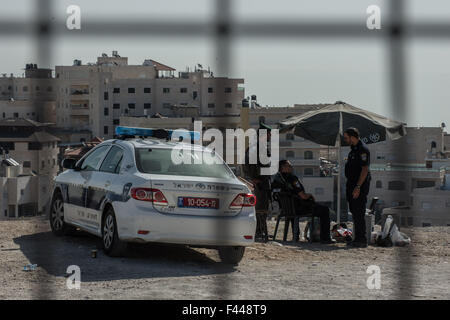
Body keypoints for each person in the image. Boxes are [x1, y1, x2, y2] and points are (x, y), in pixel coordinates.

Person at [271, 160, 335, 244]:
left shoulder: (276, 180)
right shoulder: (292, 178)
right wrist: (310, 195)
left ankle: (296, 236)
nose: (291, 167)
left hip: (286, 209)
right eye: (289, 166)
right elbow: (303, 196)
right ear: (283, 167)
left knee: (294, 207)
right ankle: (325, 238)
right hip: (299, 208)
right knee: (325, 210)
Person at [242, 122, 272, 242]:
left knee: (263, 208)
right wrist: (253, 178)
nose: (270, 137)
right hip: (259, 182)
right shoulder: (256, 148)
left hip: (263, 181)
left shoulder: (261, 147)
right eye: (268, 134)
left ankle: (261, 230)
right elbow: (248, 165)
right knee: (259, 209)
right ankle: (258, 232)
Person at [343, 127, 371, 248]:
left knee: (359, 212)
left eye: (346, 137)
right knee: (355, 212)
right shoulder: (353, 149)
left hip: (358, 186)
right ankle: (357, 238)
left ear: (352, 136)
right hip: (352, 184)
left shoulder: (362, 150)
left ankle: (361, 239)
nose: (345, 140)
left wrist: (358, 187)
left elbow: (365, 170)